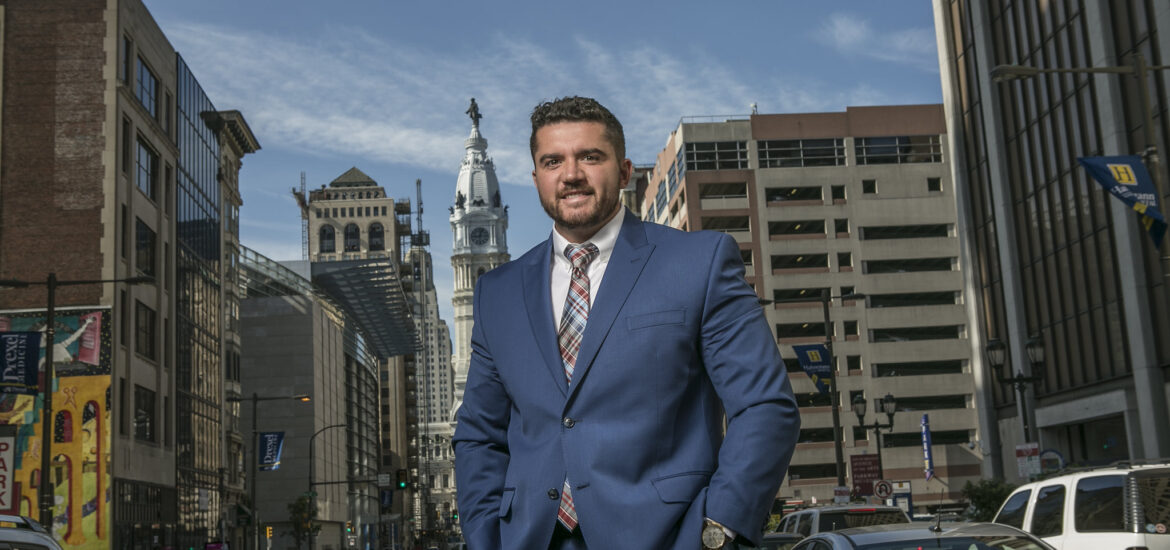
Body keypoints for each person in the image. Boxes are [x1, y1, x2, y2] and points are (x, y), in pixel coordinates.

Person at [453, 96, 800, 549]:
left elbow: (765, 407)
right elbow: (479, 434)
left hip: (667, 538)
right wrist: (485, 539)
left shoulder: (699, 263)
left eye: (590, 157)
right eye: (552, 161)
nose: (571, 174)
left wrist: (719, 529)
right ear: (536, 177)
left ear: (624, 170)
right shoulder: (497, 293)